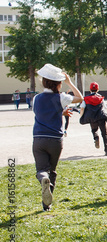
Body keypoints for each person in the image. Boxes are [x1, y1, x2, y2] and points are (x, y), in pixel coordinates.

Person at [32, 63, 83, 211]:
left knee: (41, 169)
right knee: (52, 170)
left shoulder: (36, 98)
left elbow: (42, 115)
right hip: (55, 139)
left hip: (39, 138)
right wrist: (70, 82)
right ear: (59, 83)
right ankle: (46, 204)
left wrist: (59, 112)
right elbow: (80, 98)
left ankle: (43, 179)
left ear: (44, 82)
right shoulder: (62, 98)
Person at [80, 82, 107, 156]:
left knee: (94, 130)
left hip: (92, 117)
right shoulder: (101, 98)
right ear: (98, 89)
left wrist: (81, 116)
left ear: (90, 89)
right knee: (104, 134)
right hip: (101, 117)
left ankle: (96, 137)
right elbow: (104, 107)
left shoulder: (86, 98)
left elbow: (82, 108)